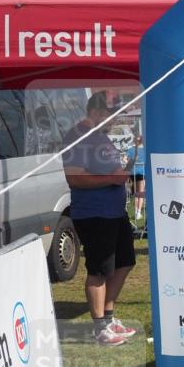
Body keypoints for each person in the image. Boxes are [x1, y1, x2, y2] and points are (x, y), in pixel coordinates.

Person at [61, 91, 138, 346]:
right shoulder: (77, 136)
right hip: (94, 214)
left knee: (125, 262)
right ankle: (100, 328)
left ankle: (108, 317)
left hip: (115, 212)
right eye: (112, 116)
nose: (115, 121)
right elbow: (74, 178)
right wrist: (111, 179)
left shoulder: (100, 136)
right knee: (98, 270)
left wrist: (125, 167)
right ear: (96, 112)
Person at [125, 135, 146, 223]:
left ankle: (137, 212)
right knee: (140, 193)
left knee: (137, 193)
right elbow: (126, 159)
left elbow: (125, 159)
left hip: (134, 173)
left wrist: (131, 164)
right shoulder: (143, 149)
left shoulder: (131, 149)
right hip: (140, 172)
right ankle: (138, 212)